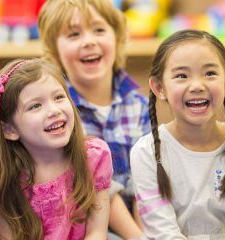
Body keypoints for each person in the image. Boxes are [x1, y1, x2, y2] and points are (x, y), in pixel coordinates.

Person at [131, 29, 225, 239]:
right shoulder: (146, 153)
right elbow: (164, 233)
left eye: (209, 73)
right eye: (181, 76)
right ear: (158, 87)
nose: (197, 86)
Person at [38, 0, 147, 238]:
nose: (89, 41)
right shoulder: (57, 113)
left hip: (145, 221)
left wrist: (147, 234)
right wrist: (136, 237)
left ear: (117, 38)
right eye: (74, 34)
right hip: (88, 227)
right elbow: (97, 186)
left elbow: (148, 178)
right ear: (55, 50)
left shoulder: (140, 106)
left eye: (99, 30)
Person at [0, 58, 113, 239]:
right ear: (9, 129)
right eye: (35, 105)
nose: (54, 110)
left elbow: (97, 232)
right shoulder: (0, 173)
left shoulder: (94, 156)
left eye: (59, 97)